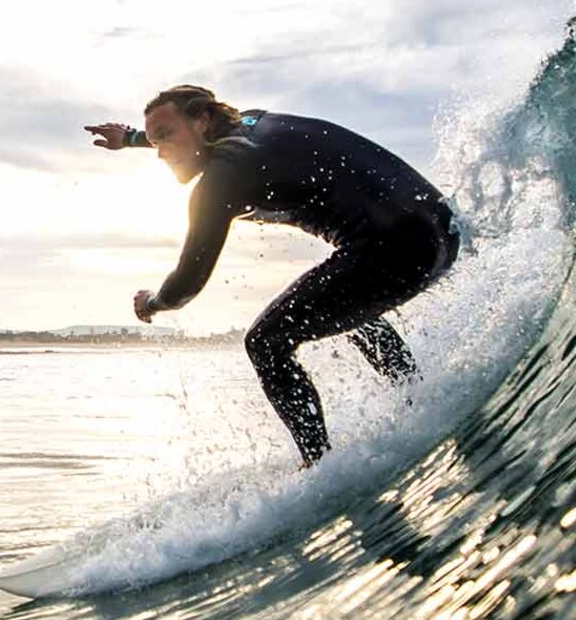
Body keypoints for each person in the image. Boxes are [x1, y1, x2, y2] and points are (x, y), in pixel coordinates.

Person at [85, 85, 459, 468]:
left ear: (202, 119)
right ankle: (420, 395)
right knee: (342, 301)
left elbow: (187, 283)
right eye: (154, 141)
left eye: (164, 136)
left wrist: (153, 302)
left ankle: (319, 467)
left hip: (398, 247)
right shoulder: (252, 122)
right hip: (440, 227)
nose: (161, 152)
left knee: (265, 341)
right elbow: (187, 142)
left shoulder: (220, 180)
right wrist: (131, 140)